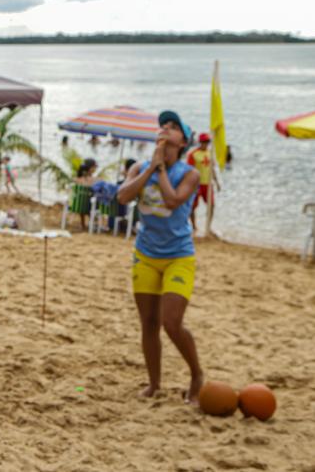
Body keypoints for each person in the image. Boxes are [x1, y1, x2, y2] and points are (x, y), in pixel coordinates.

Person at [117, 110, 203, 404]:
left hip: (179, 255)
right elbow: (123, 197)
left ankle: (197, 375)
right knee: (149, 323)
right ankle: (154, 384)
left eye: (173, 127)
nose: (165, 129)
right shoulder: (140, 167)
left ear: (183, 141)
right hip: (146, 254)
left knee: (172, 322)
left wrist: (161, 170)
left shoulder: (189, 174)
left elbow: (173, 200)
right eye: (163, 125)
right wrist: (150, 169)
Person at [186, 132, 221, 235]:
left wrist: (216, 182)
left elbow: (212, 169)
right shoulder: (193, 154)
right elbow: (189, 170)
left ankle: (208, 227)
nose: (206, 144)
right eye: (204, 142)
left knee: (211, 205)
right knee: (192, 206)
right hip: (196, 184)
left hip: (207, 184)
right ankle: (194, 227)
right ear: (200, 142)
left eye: (207, 142)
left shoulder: (210, 153)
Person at [71, 158, 99, 230]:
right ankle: (94, 222)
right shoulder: (93, 180)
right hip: (88, 206)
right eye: (94, 167)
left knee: (82, 200)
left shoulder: (76, 179)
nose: (95, 169)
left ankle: (83, 224)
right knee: (94, 201)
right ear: (90, 168)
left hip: (77, 205)